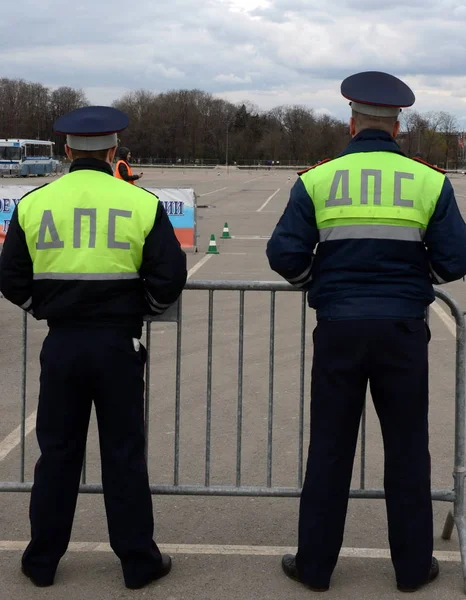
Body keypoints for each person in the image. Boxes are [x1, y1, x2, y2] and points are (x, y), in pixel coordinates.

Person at [266, 71, 466, 593]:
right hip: (402, 330)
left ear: (351, 123)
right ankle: (410, 570)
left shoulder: (318, 179)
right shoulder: (428, 180)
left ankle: (314, 568)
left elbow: (283, 253)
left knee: (330, 448)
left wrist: (323, 282)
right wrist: (414, 281)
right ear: (398, 127)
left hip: (338, 329)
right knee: (406, 448)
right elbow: (455, 259)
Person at [0, 106, 187, 589]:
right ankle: (137, 563)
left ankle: (42, 561)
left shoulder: (35, 202)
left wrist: (43, 308)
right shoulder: (140, 203)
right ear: (112, 151)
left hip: (61, 342)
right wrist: (137, 310)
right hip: (117, 343)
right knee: (124, 454)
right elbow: (169, 278)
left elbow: (11, 278)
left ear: (65, 151)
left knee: (57, 454)